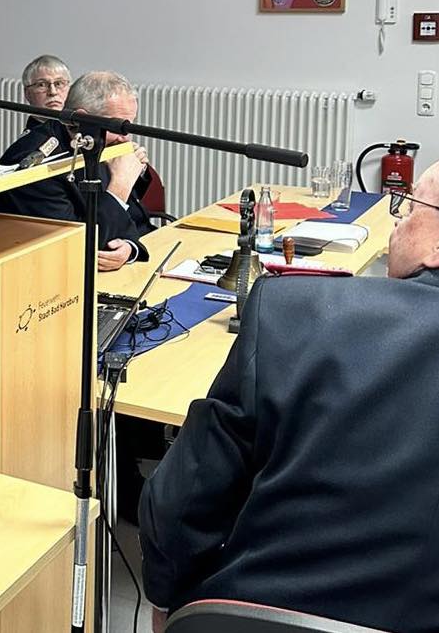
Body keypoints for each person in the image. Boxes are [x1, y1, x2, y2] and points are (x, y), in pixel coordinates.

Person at [139, 161, 439, 632]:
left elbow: (185, 498)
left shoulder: (292, 309)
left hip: (253, 616)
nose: (396, 220)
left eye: (410, 205)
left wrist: (168, 600)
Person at [0, 66, 155, 271]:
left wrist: (130, 248)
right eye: (118, 128)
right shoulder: (40, 168)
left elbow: (133, 221)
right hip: (40, 274)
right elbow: (75, 247)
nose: (125, 138)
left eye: (129, 126)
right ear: (83, 118)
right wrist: (120, 186)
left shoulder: (93, 141)